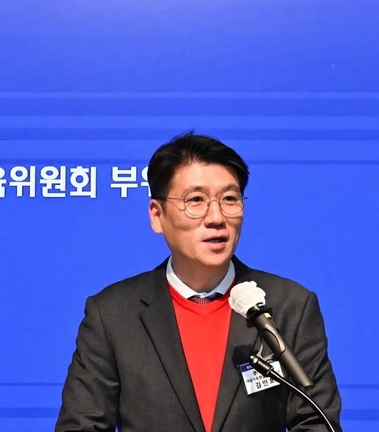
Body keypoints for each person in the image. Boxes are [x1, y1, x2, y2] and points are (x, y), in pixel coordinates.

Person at [56, 133, 342, 432]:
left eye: (229, 199)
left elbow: (316, 423)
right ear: (157, 215)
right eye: (196, 200)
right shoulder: (112, 314)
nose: (216, 217)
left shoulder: (290, 306)